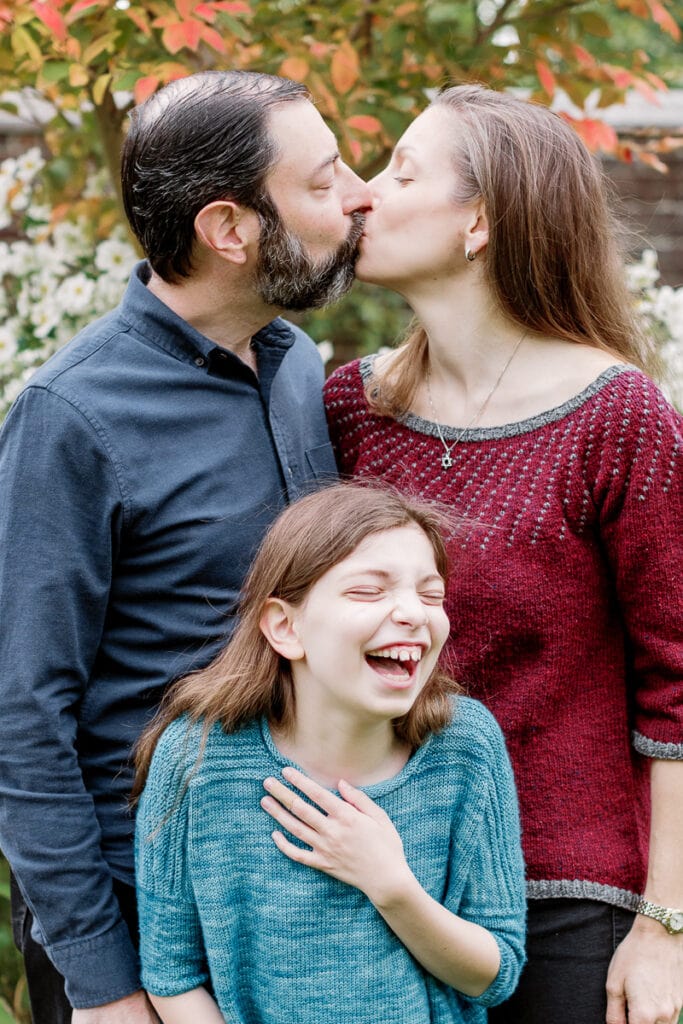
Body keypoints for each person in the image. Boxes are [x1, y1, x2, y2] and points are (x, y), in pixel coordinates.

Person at [0, 69, 372, 1024]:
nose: (360, 194)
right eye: (325, 181)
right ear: (230, 229)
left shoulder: (293, 367)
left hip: (289, 897)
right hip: (137, 918)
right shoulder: (72, 416)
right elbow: (21, 715)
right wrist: (102, 982)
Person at [323, 84, 683, 1024]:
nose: (362, 193)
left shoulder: (617, 418)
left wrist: (664, 926)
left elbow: (676, 687)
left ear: (478, 222)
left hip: (565, 899)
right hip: (379, 878)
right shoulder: (350, 409)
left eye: (401, 171)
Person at [132, 482, 526, 1024]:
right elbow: (172, 977)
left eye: (431, 595)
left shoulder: (465, 749)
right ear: (285, 627)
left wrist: (391, 886)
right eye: (369, 591)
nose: (413, 612)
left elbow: (496, 974)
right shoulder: (195, 759)